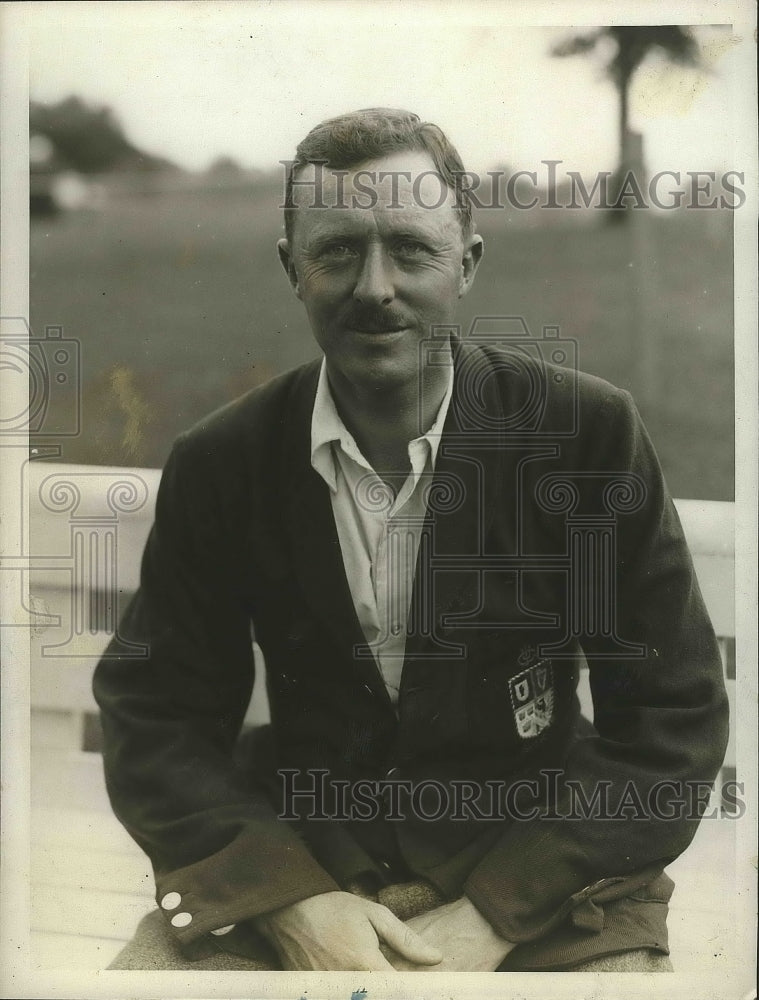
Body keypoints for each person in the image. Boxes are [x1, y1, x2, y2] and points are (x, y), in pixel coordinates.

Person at [93, 107, 729, 973]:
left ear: (466, 262)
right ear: (292, 269)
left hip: (546, 878)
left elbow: (669, 719)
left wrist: (498, 915)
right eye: (337, 250)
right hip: (300, 865)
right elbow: (157, 718)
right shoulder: (222, 461)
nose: (374, 286)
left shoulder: (584, 436)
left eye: (411, 248)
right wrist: (291, 904)